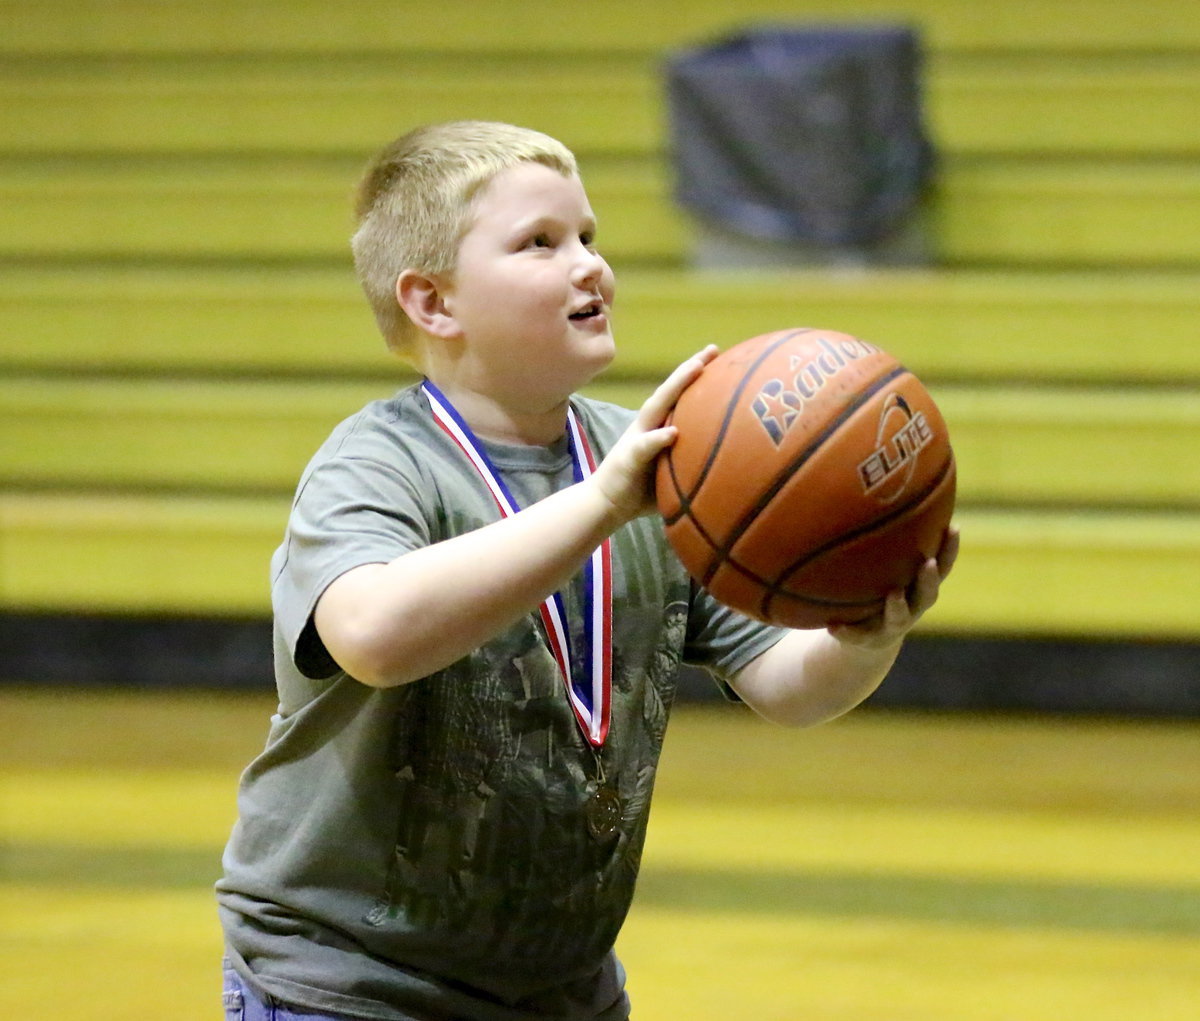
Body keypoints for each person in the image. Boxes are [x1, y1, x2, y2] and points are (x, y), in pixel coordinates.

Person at [216, 120, 957, 1021]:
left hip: (561, 989)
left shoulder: (653, 461)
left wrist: (865, 634)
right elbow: (372, 637)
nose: (589, 265)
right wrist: (603, 503)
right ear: (433, 303)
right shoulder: (380, 462)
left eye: (589, 238)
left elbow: (788, 687)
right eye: (540, 243)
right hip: (350, 983)